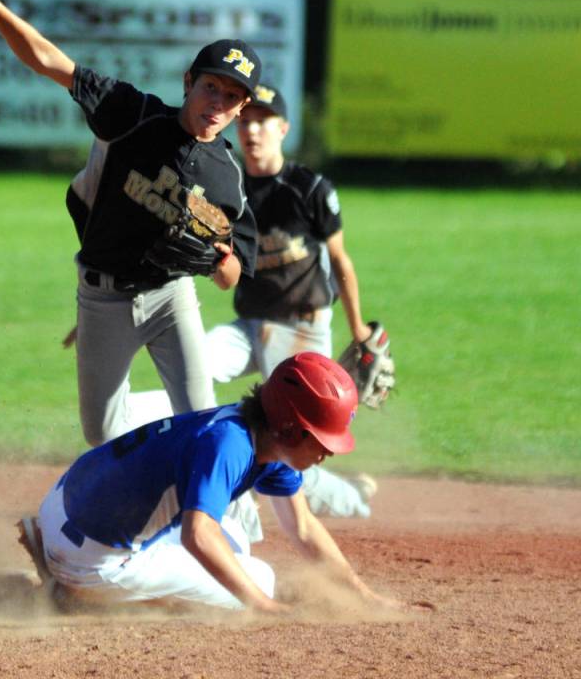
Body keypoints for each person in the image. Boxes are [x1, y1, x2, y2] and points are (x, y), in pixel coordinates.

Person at [0, 0, 260, 447]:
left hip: (172, 299)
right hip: (103, 298)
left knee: (201, 423)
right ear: (188, 81)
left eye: (232, 97)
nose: (217, 103)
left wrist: (213, 262)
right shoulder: (133, 114)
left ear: (241, 108)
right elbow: (52, 63)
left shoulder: (229, 179)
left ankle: (198, 511)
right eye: (211, 86)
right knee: (103, 434)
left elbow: (232, 276)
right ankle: (143, 486)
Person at [108, 83, 392, 519]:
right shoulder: (227, 183)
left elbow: (340, 261)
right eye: (247, 120)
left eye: (263, 120)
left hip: (301, 331)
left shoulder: (308, 188)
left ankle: (351, 500)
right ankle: (124, 420)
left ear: (283, 128)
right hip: (249, 326)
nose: (253, 130)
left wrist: (357, 330)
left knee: (286, 435)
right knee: (192, 367)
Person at [17, 352, 409, 613]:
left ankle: (56, 549)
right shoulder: (229, 446)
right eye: (322, 440)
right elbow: (198, 537)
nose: (329, 453)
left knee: (235, 538)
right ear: (290, 429)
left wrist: (364, 595)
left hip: (67, 505)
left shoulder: (262, 436)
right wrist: (261, 605)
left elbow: (303, 528)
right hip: (93, 558)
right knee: (259, 580)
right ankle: (76, 596)